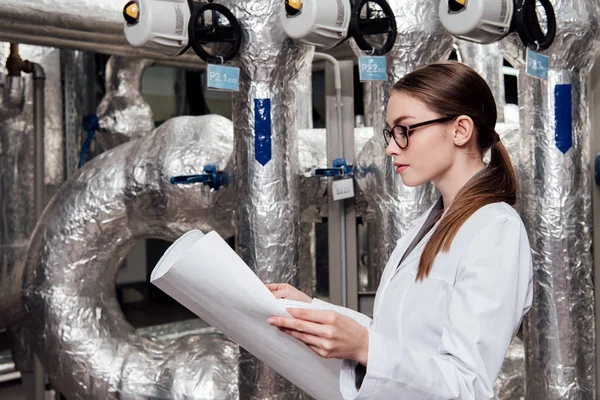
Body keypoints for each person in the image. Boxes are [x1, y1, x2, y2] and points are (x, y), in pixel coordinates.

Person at [266, 61, 533, 399]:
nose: (392, 147)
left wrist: (366, 347)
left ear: (460, 130)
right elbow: (397, 340)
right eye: (390, 133)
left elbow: (468, 385)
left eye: (405, 130)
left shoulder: (496, 229)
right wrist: (313, 311)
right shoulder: (432, 222)